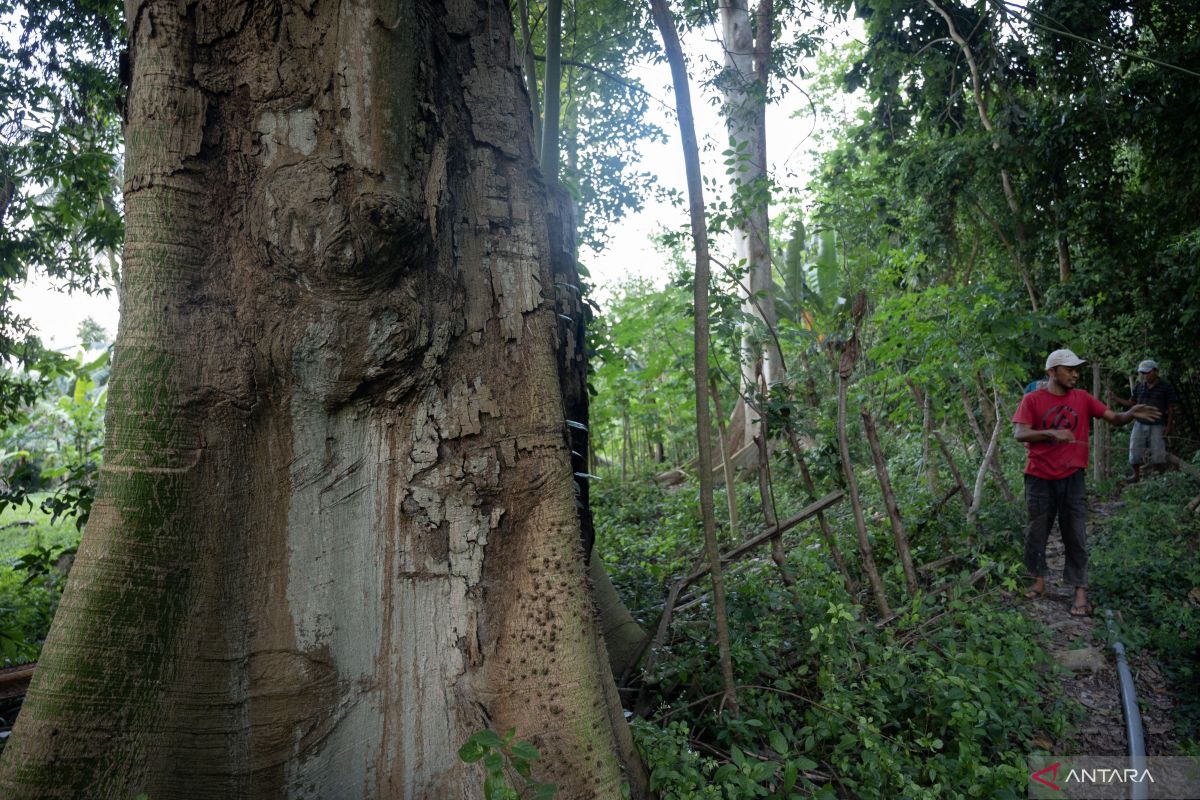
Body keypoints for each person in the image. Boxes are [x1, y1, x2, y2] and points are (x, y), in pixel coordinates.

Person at [1012, 349, 1161, 617]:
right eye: (1069, 369)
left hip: (1073, 477)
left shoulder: (1082, 398)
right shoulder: (1033, 400)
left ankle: (1079, 590)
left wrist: (1131, 412)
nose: (1075, 374)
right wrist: (1051, 432)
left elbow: (1114, 418)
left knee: (1076, 533)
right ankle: (1038, 580)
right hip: (1038, 476)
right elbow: (1020, 433)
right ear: (1051, 372)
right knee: (1036, 531)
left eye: (1077, 369)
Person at [1109, 359, 1178, 482]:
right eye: (1142, 373)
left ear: (1155, 371)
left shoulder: (1166, 386)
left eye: (1147, 372)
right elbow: (1132, 403)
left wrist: (1169, 426)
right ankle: (1136, 476)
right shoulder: (1139, 386)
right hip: (1139, 423)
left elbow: (1171, 408)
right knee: (1134, 450)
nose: (1144, 375)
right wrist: (1115, 398)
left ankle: (1156, 478)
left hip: (1158, 424)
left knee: (1158, 453)